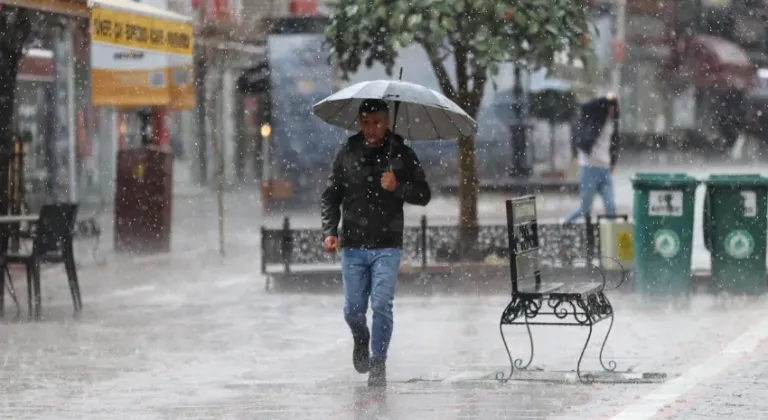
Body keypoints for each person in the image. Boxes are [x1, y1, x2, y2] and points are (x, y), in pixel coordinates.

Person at [321, 99, 431, 387]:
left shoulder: (402, 154)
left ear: (387, 122)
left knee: (382, 304)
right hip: (353, 244)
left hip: (387, 244)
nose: (371, 129)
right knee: (353, 310)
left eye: (377, 123)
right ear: (360, 122)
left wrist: (398, 187)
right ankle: (361, 338)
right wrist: (330, 230)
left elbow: (424, 193)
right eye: (366, 122)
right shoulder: (347, 151)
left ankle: (378, 362)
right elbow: (331, 194)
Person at [564, 95, 620, 224]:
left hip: (605, 169)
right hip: (589, 168)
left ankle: (612, 238)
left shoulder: (612, 122)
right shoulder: (594, 119)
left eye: (614, 107)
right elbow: (585, 107)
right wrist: (605, 100)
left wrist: (613, 162)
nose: (612, 109)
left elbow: (614, 145)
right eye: (610, 107)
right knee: (585, 209)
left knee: (611, 206)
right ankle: (565, 224)